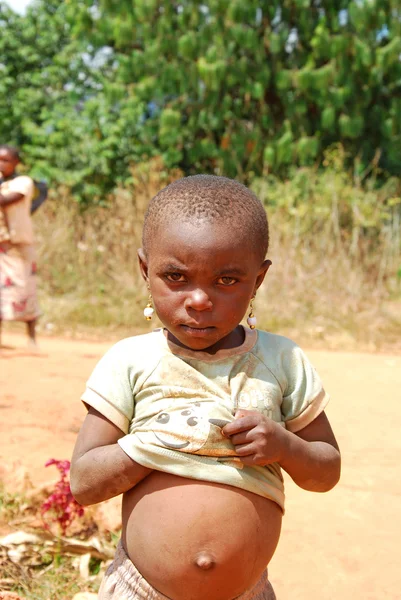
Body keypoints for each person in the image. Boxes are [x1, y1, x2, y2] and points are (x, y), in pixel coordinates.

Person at [70, 175, 341, 600]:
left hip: (247, 592)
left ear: (258, 280)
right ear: (146, 270)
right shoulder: (130, 361)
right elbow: (84, 483)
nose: (199, 300)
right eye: (176, 277)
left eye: (227, 280)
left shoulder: (282, 360)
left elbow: (326, 471)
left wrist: (285, 446)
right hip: (138, 589)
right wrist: (158, 442)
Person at [0, 145, 40, 348]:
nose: (1, 164)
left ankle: (31, 337)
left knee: (26, 288)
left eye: (5, 160)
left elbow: (6, 200)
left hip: (18, 246)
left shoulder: (22, 183)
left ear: (16, 162)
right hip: (1, 246)